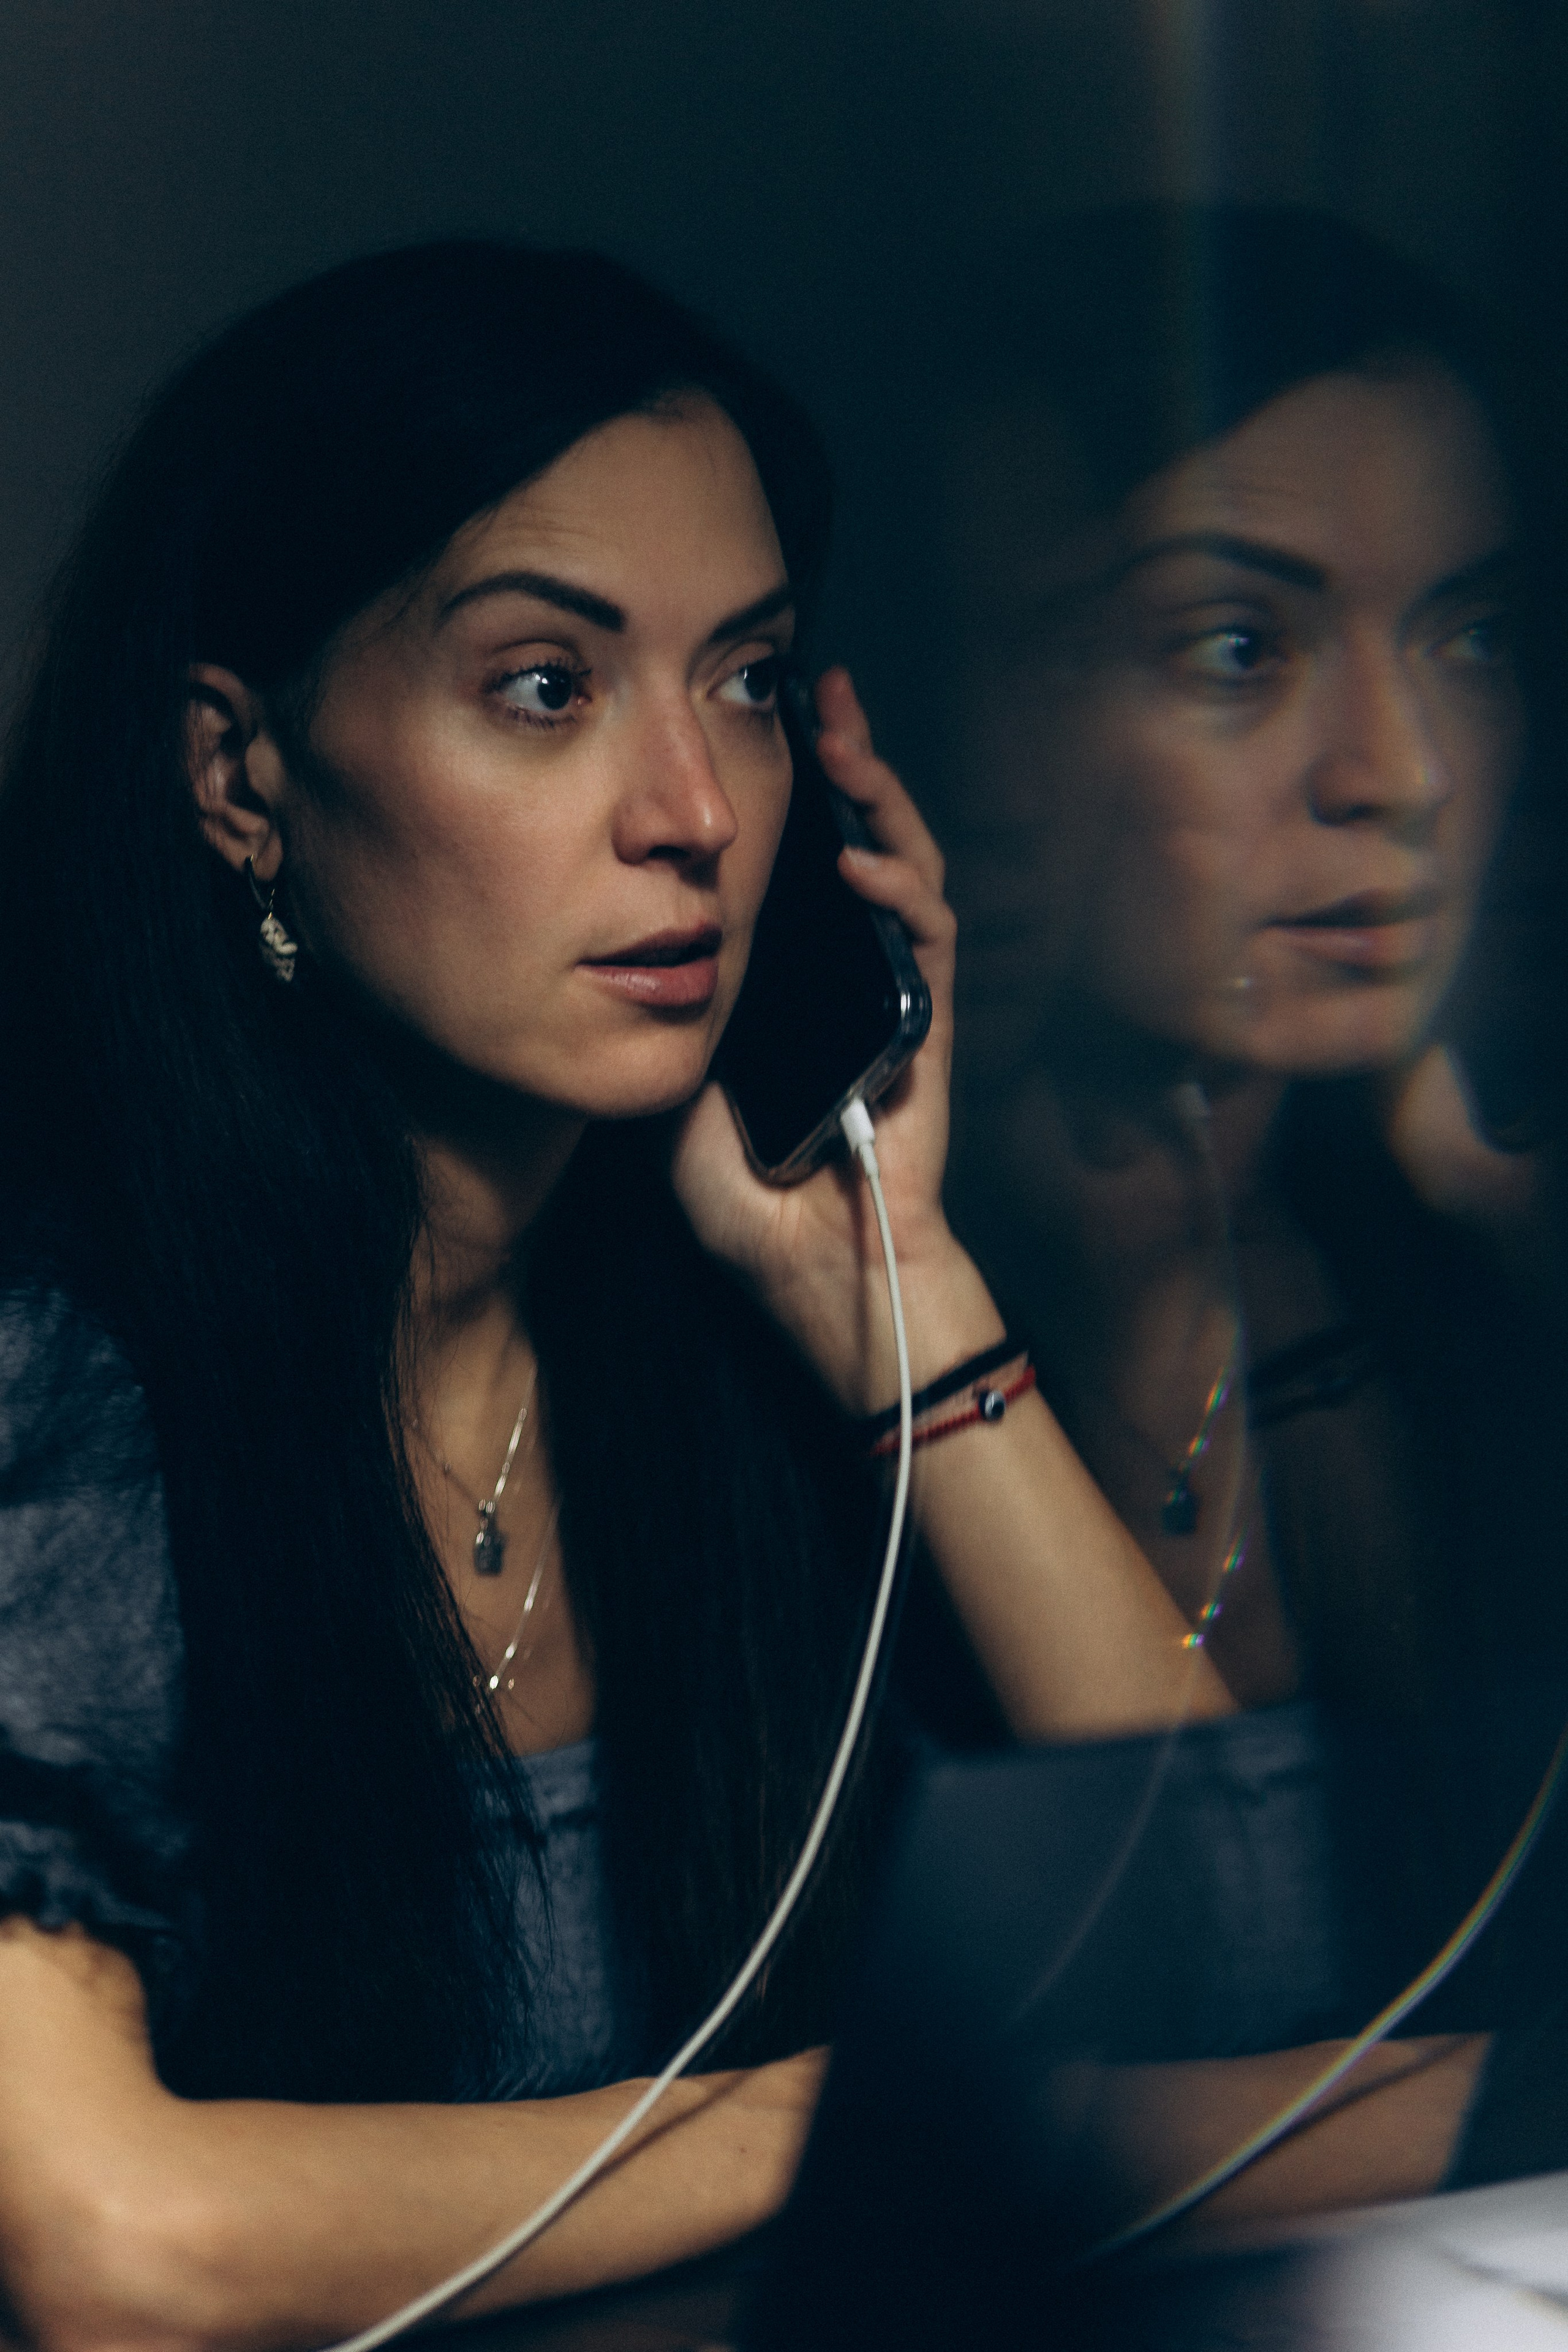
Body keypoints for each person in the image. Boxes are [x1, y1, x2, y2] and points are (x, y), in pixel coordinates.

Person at [0, 239, 1235, 2348]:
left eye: (747, 683)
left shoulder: (721, 1349)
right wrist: (857, 2118)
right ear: (240, 779)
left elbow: (1247, 1955)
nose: (695, 817)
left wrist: (892, 1284)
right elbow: (117, 2247)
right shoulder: (65, 1404)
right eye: (547, 689)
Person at [913, 204, 1568, 2230]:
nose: (1402, 774)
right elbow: (992, 2140)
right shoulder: (789, 1317)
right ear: (966, 714)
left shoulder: (1434, 1272)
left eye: (1467, 638)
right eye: (1235, 649)